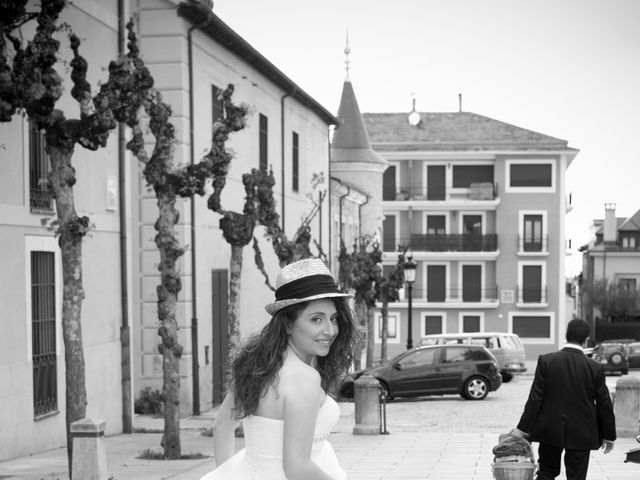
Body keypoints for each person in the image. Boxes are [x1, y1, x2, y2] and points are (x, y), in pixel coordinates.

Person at [200, 258, 358, 480]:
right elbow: (297, 468)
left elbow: (222, 426)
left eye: (333, 318)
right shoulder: (304, 378)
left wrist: (226, 474)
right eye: (316, 319)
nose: (330, 330)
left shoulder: (257, 364)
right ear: (287, 324)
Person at [508, 318, 616, 480]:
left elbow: (535, 399)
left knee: (546, 472)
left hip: (549, 429)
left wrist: (522, 429)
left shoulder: (546, 361)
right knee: (576, 476)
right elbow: (604, 404)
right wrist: (609, 435)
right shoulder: (595, 368)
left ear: (566, 335)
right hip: (581, 431)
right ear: (586, 340)